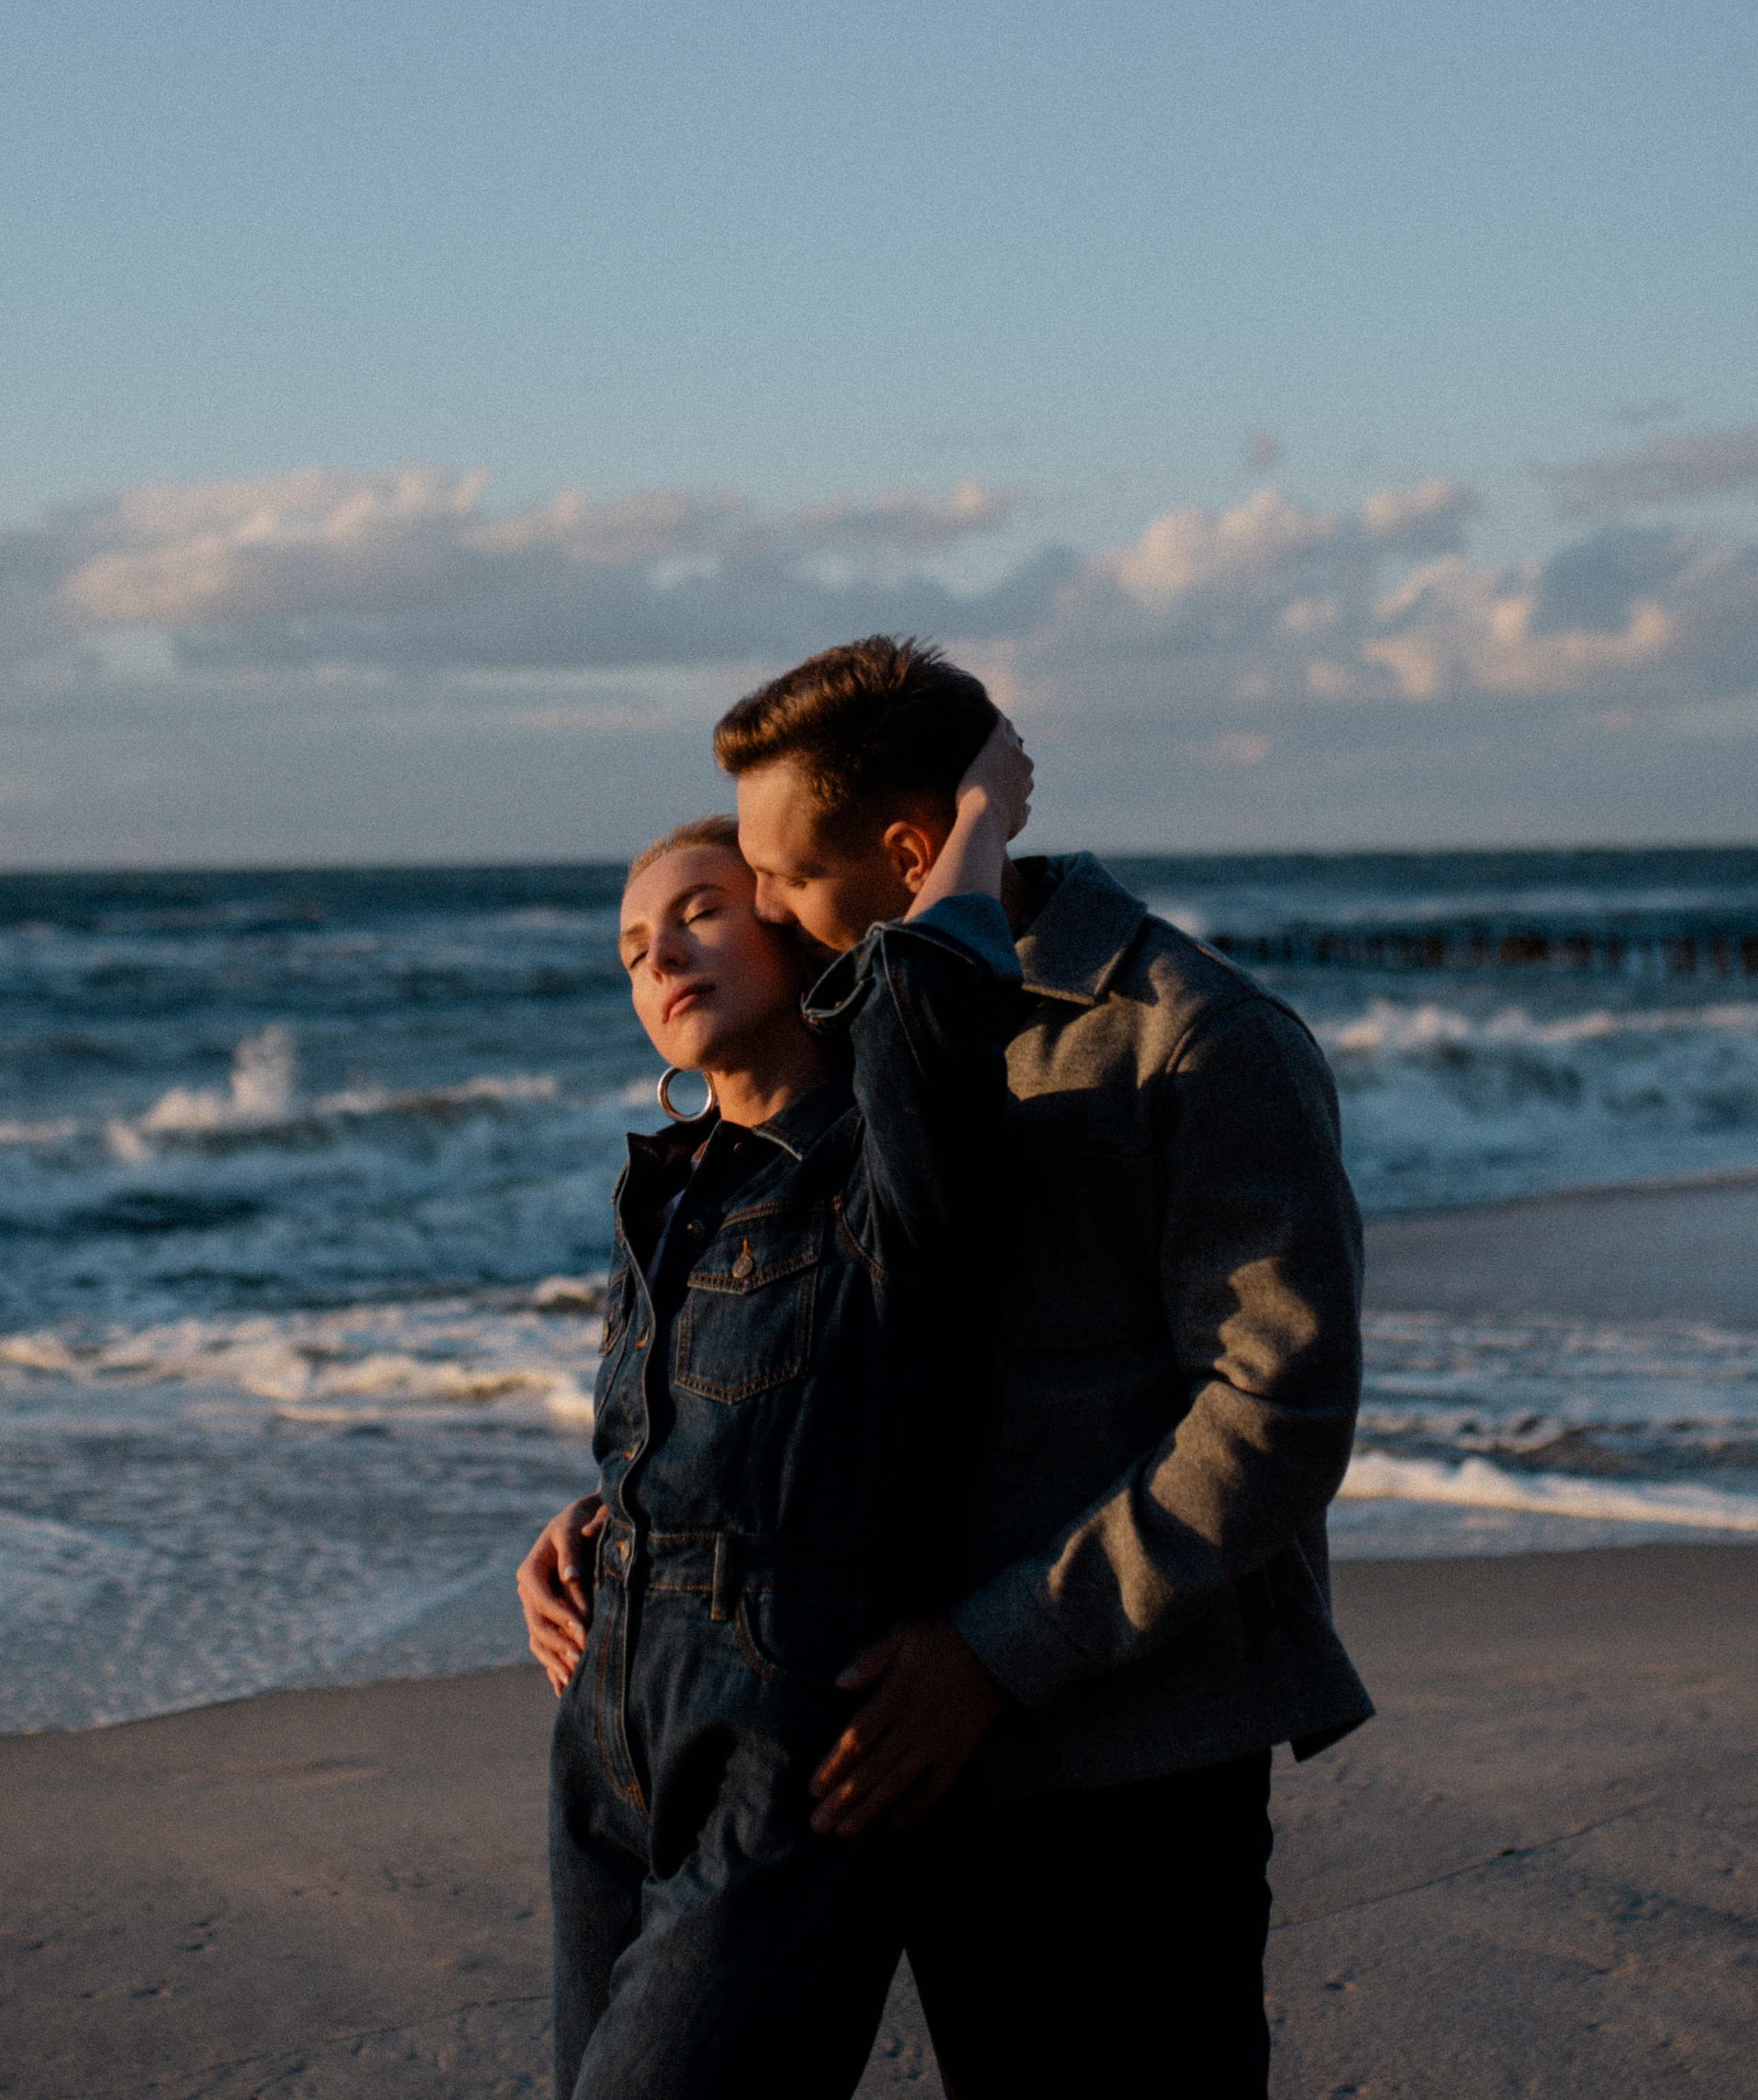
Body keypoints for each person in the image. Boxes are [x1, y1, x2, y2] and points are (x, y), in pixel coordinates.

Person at [521, 635, 1371, 2100]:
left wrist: (994, 1649)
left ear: (909, 853)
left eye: (777, 877)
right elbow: (800, 1360)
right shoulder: (855, 1052)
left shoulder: (1188, 1040)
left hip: (1118, 1747)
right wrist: (638, 1523)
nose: (761, 912)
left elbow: (1273, 1417)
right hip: (880, 1745)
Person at [533, 720, 1034, 2100]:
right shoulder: (666, 1192)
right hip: (602, 1729)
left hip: (790, 1741)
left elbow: (931, 994)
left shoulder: (883, 1172)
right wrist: (588, 1527)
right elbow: (702, 1436)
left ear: (790, 932)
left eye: (701, 912)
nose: (661, 958)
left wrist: (978, 817)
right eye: (633, 949)